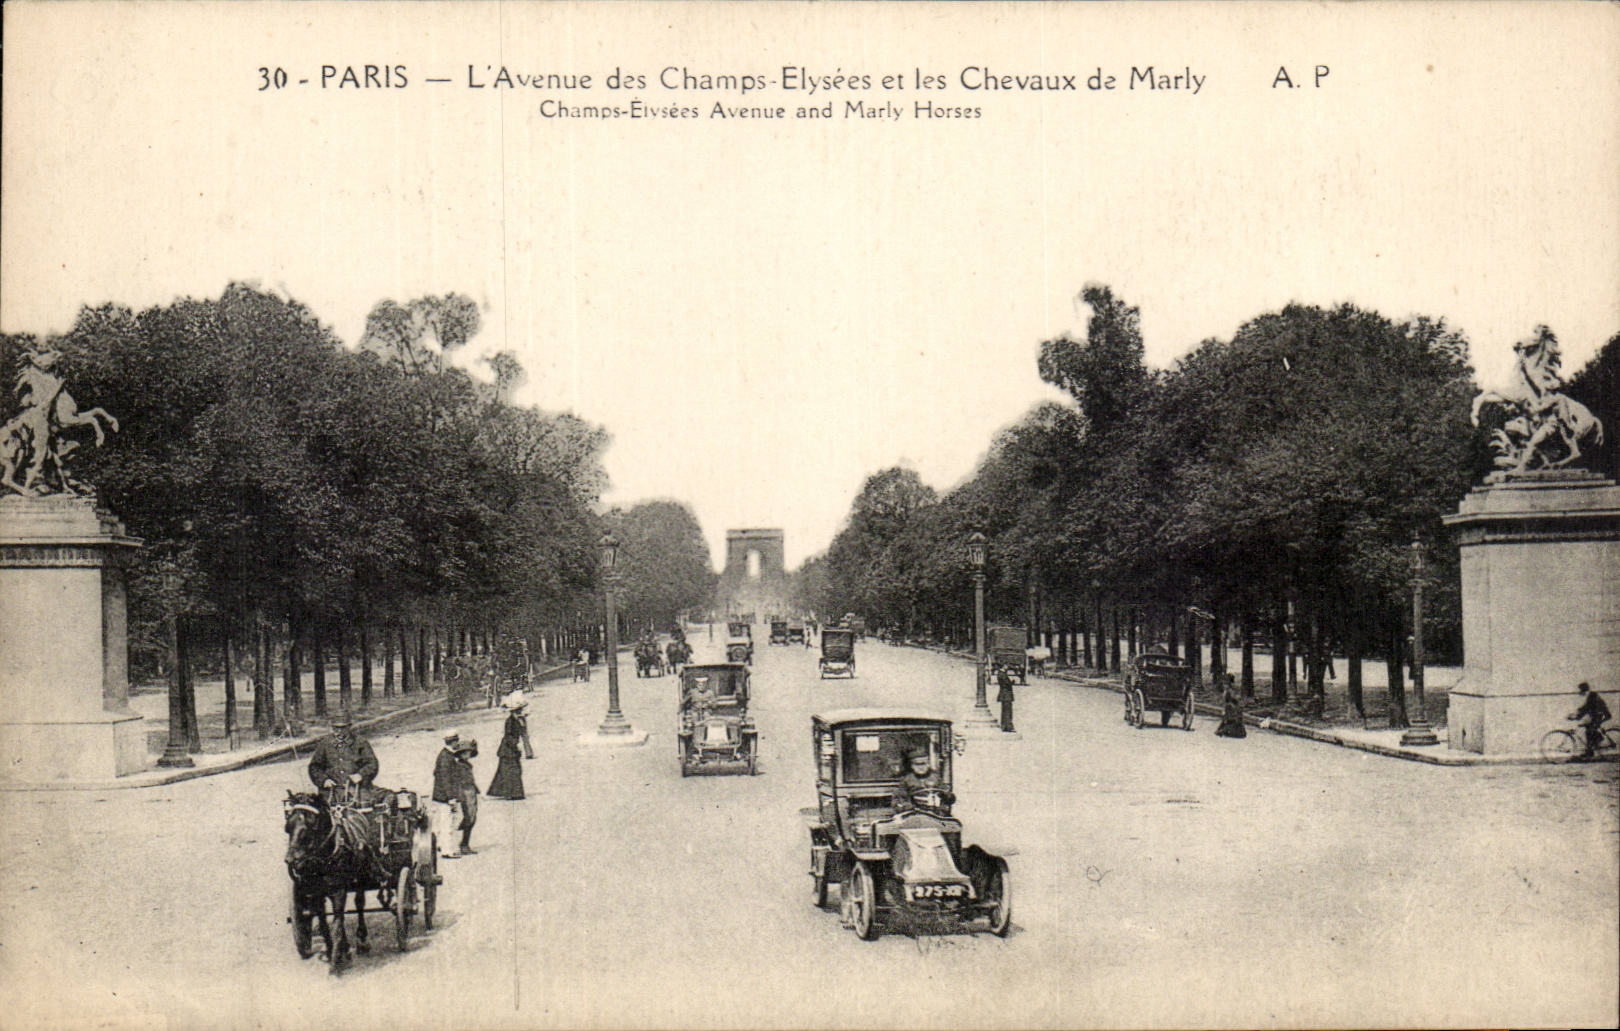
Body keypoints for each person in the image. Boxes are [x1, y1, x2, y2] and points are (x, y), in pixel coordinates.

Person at [307, 710, 381, 804]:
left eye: (343, 728)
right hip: (330, 791)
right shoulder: (325, 744)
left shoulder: (360, 742)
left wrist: (361, 775)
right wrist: (324, 780)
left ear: (349, 727)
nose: (339, 731)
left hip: (356, 789)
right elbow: (314, 767)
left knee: (364, 809)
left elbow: (372, 763)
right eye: (336, 728)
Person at [432, 732, 479, 857]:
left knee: (445, 822)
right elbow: (446, 779)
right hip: (447, 796)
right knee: (448, 823)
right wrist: (451, 797)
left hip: (443, 795)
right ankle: (448, 850)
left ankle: (444, 846)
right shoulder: (447, 757)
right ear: (454, 741)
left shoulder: (446, 755)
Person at [893, 748, 954, 814]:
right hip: (915, 813)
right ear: (912, 766)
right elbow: (901, 799)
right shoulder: (907, 780)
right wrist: (911, 808)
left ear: (928, 764)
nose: (920, 767)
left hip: (936, 813)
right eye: (917, 764)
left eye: (923, 764)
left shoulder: (936, 778)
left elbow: (947, 795)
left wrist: (947, 796)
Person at [487, 702, 528, 800]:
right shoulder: (510, 721)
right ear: (514, 711)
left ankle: (510, 793)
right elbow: (508, 736)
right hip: (508, 749)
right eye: (519, 710)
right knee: (510, 772)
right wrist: (516, 745)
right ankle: (512, 794)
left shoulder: (517, 720)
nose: (520, 712)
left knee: (509, 771)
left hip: (510, 749)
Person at [1567, 681, 1612, 759]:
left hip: (1600, 715)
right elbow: (1584, 707)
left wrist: (1577, 717)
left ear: (1584, 689)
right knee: (1588, 729)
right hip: (1596, 715)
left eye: (1581, 690)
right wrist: (1576, 714)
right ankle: (1590, 751)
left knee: (1590, 730)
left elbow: (1586, 708)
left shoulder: (1592, 695)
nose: (1580, 692)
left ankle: (1595, 745)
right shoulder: (1590, 695)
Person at [503, 689, 536, 758]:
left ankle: (525, 753)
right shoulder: (516, 696)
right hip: (519, 718)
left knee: (520, 736)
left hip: (517, 718)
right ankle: (527, 753)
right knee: (523, 736)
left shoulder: (512, 698)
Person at [1215, 674, 1247, 738]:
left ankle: (1227, 730)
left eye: (1226, 684)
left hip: (1232, 712)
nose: (1224, 686)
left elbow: (1232, 701)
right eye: (1224, 684)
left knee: (1229, 720)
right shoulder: (1229, 691)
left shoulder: (1230, 692)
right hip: (1233, 711)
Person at [996, 668, 1016, 733]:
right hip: (1006, 695)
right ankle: (1008, 726)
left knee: (1005, 711)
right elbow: (1007, 684)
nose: (1007, 667)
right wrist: (1012, 682)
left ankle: (1004, 726)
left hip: (1004, 695)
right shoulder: (1002, 674)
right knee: (1008, 711)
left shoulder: (1001, 673)